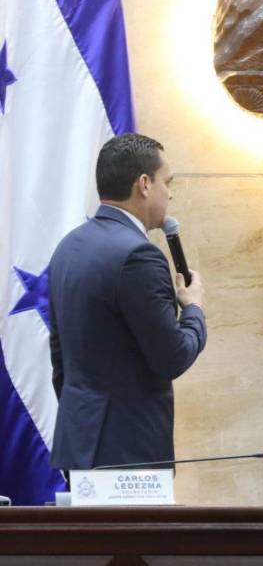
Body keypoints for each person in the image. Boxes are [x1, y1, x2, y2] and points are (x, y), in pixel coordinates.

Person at [49, 133, 207, 472]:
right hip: (129, 457)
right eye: (167, 182)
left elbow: (60, 359)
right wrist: (194, 309)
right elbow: (172, 357)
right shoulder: (139, 256)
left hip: (79, 443)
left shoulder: (68, 247)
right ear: (144, 184)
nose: (170, 193)